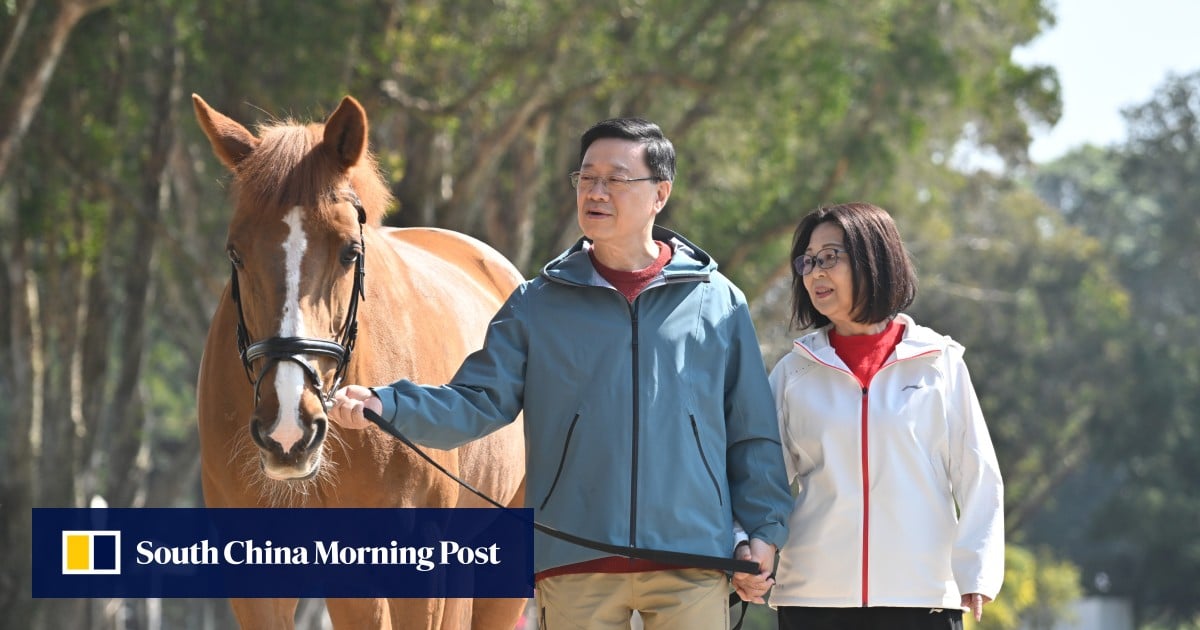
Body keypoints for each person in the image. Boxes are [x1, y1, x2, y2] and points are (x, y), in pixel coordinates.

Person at [329, 117, 792, 629]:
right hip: (575, 559)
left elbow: (751, 432)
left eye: (615, 179)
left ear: (660, 193)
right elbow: (478, 401)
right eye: (586, 177)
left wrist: (764, 530)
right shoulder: (536, 304)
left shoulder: (718, 302)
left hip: (692, 560)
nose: (596, 191)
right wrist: (387, 405)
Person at [763, 202, 1004, 630]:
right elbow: (764, 482)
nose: (816, 272)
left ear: (875, 260)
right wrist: (750, 549)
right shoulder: (793, 372)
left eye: (830, 257)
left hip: (921, 596)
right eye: (808, 260)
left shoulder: (939, 363)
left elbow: (977, 472)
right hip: (814, 599)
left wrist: (977, 569)